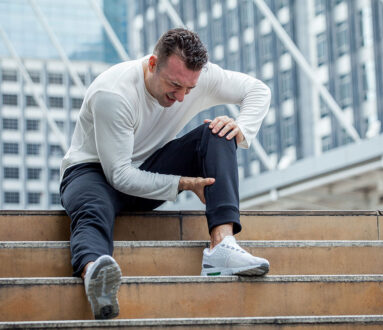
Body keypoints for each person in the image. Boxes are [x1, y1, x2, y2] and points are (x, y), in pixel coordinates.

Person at [59, 28, 271, 320]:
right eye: (174, 85)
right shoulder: (114, 93)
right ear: (151, 64)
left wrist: (242, 128)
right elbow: (119, 175)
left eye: (190, 89)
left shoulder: (197, 78)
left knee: (219, 131)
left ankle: (222, 245)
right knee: (94, 208)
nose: (182, 97)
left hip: (147, 169)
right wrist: (183, 183)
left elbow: (258, 90)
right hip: (91, 172)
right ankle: (96, 273)